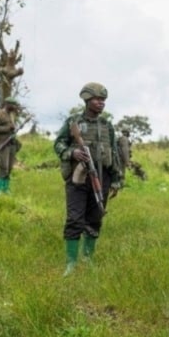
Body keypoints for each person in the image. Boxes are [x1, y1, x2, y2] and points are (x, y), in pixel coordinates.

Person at [54, 82, 122, 276]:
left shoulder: (106, 125)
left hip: (102, 177)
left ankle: (87, 258)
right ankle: (71, 263)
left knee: (95, 217)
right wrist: (72, 152)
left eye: (103, 100)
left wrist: (117, 179)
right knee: (75, 218)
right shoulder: (73, 122)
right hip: (78, 178)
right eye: (97, 99)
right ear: (86, 100)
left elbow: (114, 152)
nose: (101, 103)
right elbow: (58, 144)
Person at [0, 97, 21, 195]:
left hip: (11, 143)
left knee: (10, 167)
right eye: (14, 105)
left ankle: (5, 188)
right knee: (3, 166)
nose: (15, 107)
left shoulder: (12, 115)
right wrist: (7, 128)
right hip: (3, 144)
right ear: (8, 104)